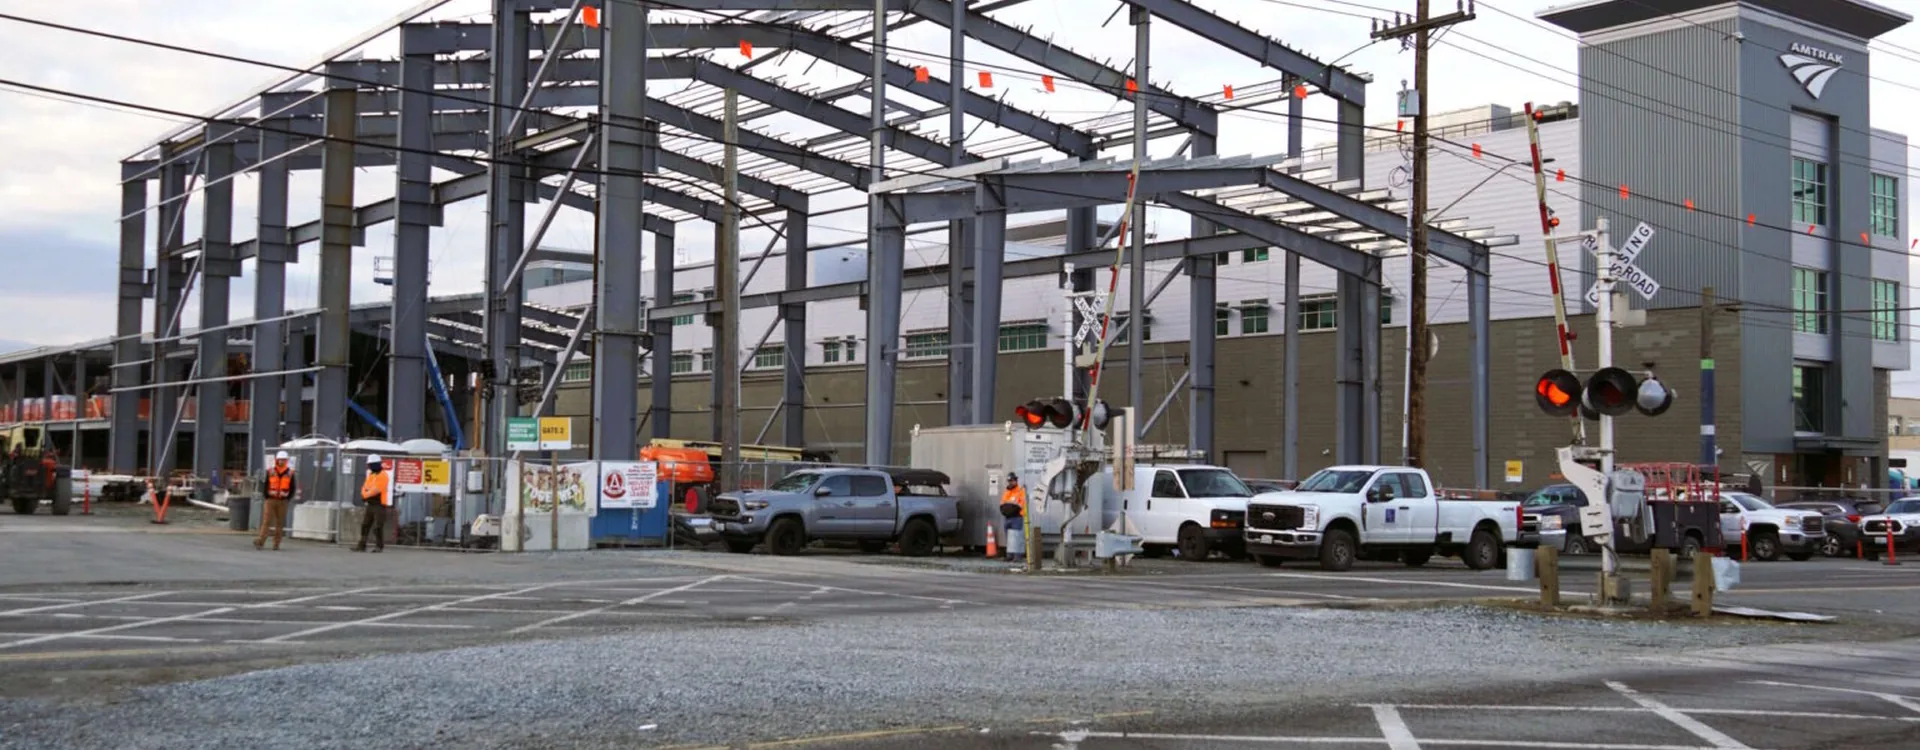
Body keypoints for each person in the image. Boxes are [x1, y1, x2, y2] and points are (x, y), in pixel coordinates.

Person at [255, 451, 298, 551]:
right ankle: (260, 541)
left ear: (286, 461)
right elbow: (265, 485)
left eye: (283, 460)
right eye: (280, 460)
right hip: (270, 500)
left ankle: (276, 544)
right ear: (276, 460)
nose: (281, 461)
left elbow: (292, 487)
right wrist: (266, 496)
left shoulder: (290, 473)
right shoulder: (271, 471)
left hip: (283, 501)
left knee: (280, 523)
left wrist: (287, 498)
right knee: (267, 521)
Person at [355, 455, 391, 553]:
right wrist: (364, 494)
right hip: (370, 504)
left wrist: (365, 495)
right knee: (365, 525)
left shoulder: (383, 475)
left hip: (379, 504)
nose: (369, 466)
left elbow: (377, 489)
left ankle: (379, 546)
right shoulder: (371, 475)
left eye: (371, 464)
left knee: (378, 526)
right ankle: (361, 545)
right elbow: (365, 486)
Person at [1000, 474, 1027, 561]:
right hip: (1008, 517)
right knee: (1009, 537)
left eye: (1012, 481)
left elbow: (1021, 504)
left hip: (1017, 517)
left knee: (1017, 536)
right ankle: (1009, 555)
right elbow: (1002, 503)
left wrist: (1011, 507)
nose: (1010, 483)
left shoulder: (1020, 491)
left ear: (1016, 481)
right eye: (1009, 481)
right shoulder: (1007, 492)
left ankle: (1017, 556)